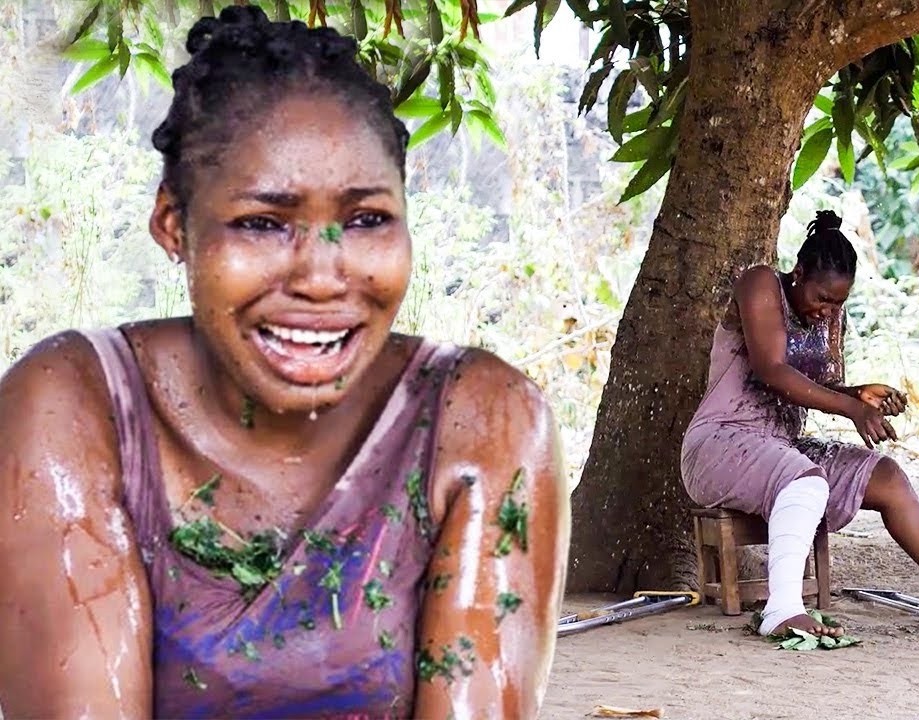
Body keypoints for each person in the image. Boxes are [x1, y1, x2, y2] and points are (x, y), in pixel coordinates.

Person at [0, 6, 569, 718]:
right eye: (263, 224)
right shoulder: (75, 406)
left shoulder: (480, 421)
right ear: (174, 225)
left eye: (366, 220)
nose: (323, 278)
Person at [681, 210, 919, 637]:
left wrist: (856, 393)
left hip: (780, 447)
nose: (827, 311)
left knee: (888, 477)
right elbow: (773, 370)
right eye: (822, 298)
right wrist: (852, 410)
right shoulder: (761, 283)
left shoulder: (828, 316)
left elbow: (817, 385)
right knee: (805, 481)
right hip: (721, 443)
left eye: (838, 303)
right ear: (798, 273)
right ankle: (782, 611)